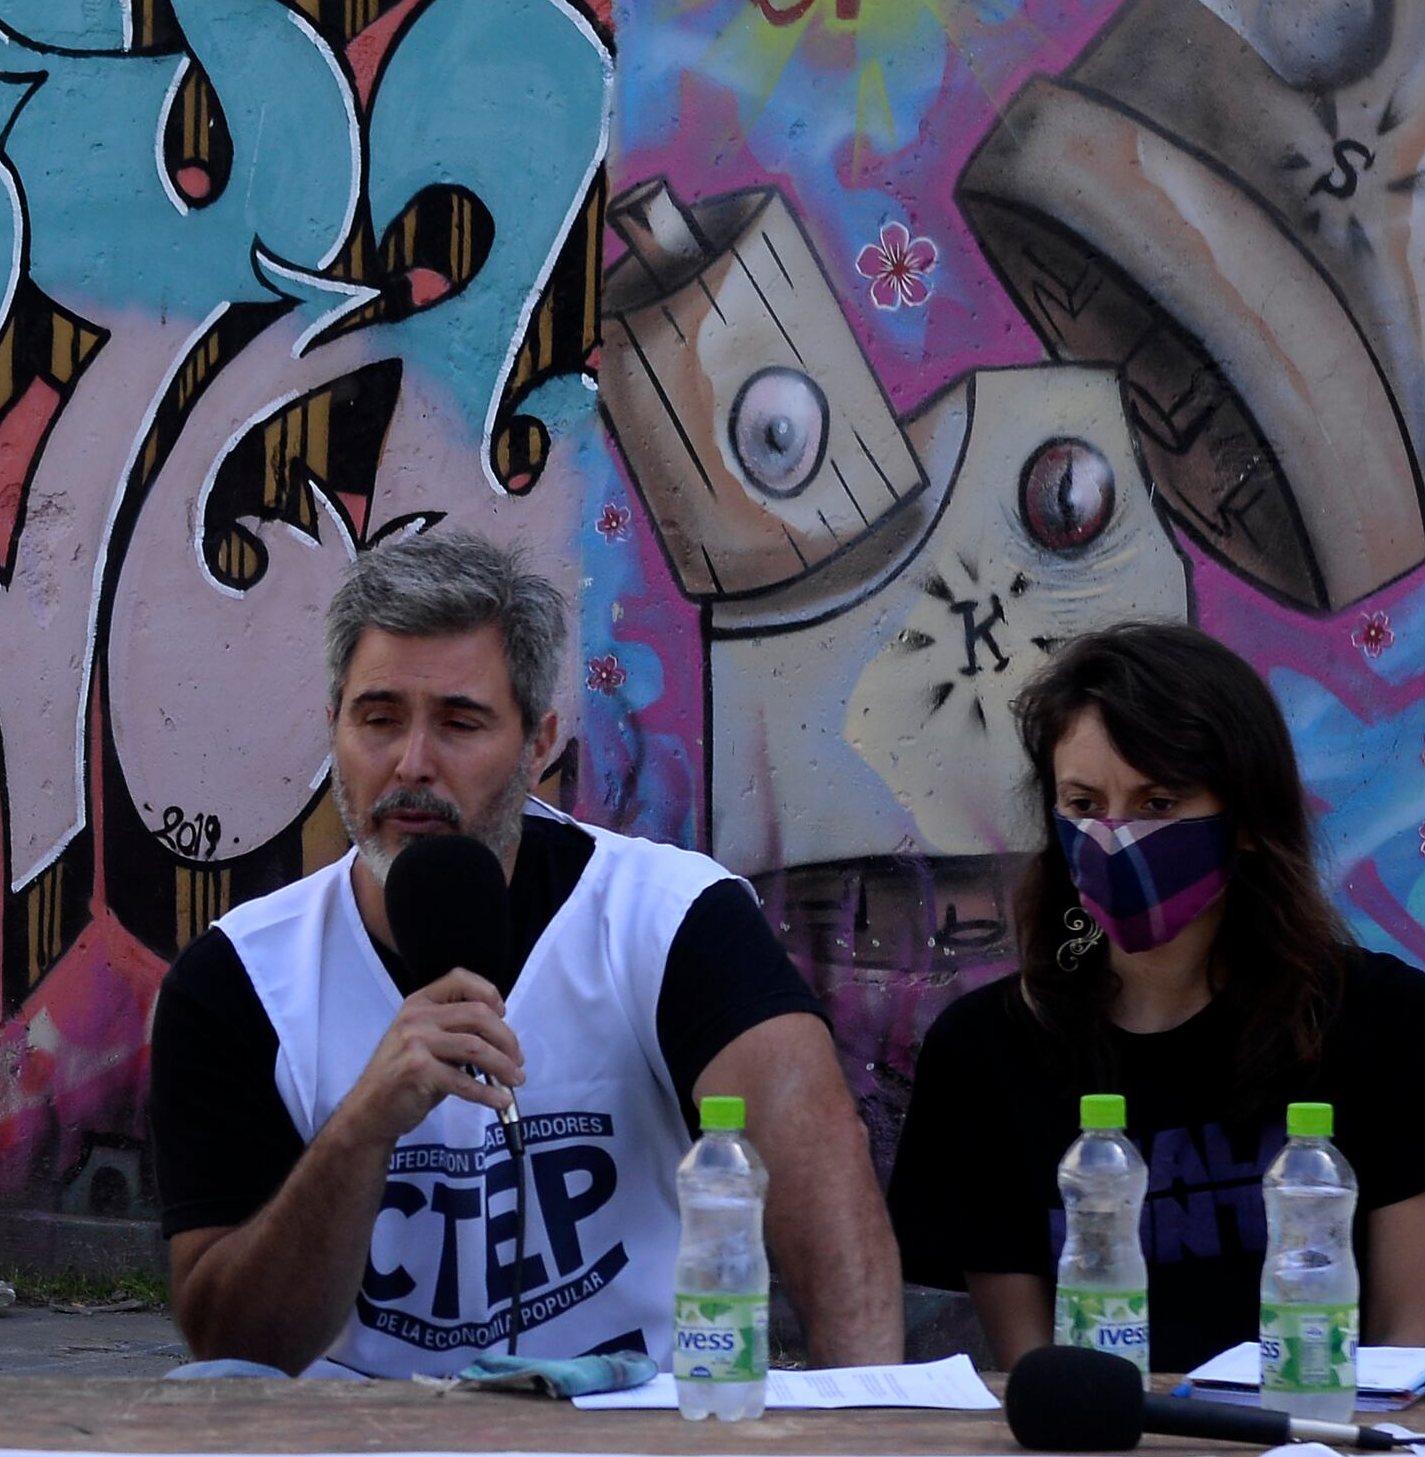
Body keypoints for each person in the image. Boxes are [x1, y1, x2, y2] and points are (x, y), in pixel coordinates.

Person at [151, 534, 902, 1375]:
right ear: (334, 729)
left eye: (460, 723)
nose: (412, 764)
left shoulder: (669, 917)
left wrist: (865, 1443)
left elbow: (819, 1167)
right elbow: (230, 1344)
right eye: (379, 719)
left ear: (539, 741)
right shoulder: (240, 978)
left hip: (628, 1450)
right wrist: (360, 1131)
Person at [887, 621, 1425, 1371]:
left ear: (1249, 821)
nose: (1116, 837)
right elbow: (1034, 1374)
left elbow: (1405, 1360)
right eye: (1085, 804)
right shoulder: (986, 1055)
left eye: (1159, 803)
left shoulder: (1394, 1030)